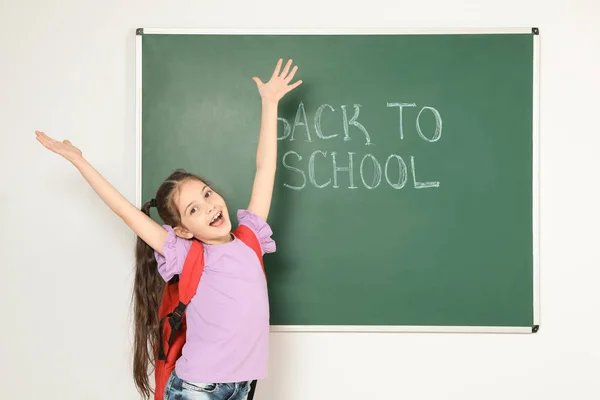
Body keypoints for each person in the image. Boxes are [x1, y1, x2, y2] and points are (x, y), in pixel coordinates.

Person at [35, 58, 302, 400]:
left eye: (207, 194)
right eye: (193, 209)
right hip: (198, 389)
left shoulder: (250, 238)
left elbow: (265, 169)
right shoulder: (188, 253)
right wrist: (79, 160)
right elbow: (123, 211)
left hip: (243, 386)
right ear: (183, 231)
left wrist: (270, 103)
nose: (209, 206)